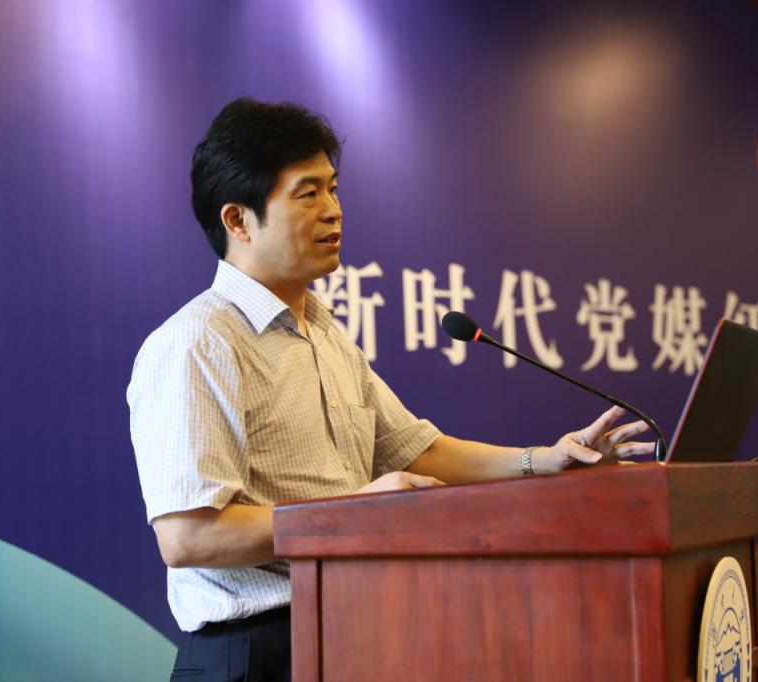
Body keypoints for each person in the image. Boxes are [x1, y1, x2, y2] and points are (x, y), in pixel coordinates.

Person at [127, 97, 655, 682]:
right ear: (238, 220)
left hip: (352, 631)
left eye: (333, 189)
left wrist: (546, 461)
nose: (333, 211)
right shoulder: (198, 343)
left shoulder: (325, 333)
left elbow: (418, 451)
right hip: (256, 653)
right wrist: (351, 513)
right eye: (307, 194)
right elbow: (189, 536)